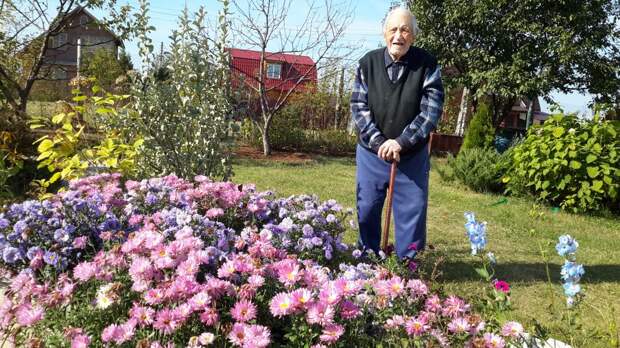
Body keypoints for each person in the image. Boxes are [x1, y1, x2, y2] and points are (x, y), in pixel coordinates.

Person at [351, 7, 444, 259]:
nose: (398, 36)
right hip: (372, 152)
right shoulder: (367, 64)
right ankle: (368, 259)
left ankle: (407, 268)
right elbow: (358, 108)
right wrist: (381, 141)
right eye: (393, 29)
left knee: (412, 211)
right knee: (367, 208)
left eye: (405, 30)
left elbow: (430, 112)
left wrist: (401, 142)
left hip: (411, 155)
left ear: (413, 36)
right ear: (384, 33)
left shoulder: (427, 65)